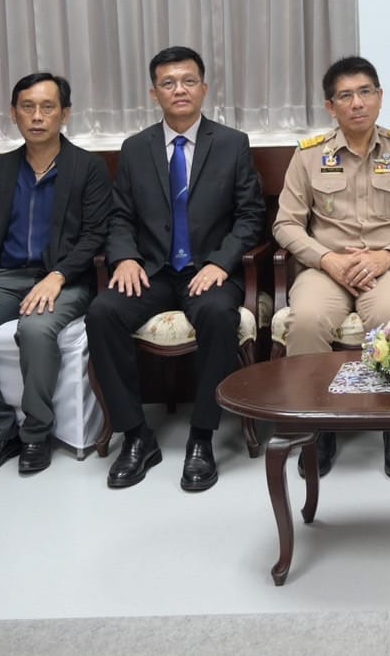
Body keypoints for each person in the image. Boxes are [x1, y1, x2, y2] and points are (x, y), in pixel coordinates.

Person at [85, 47, 266, 492]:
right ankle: (136, 435)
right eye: (168, 83)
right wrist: (125, 257)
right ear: (154, 93)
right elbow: (120, 216)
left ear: (204, 88)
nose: (179, 90)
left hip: (209, 270)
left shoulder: (232, 143)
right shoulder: (136, 148)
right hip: (153, 270)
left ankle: (201, 437)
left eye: (188, 81)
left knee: (217, 314)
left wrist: (222, 262)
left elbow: (250, 216)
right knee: (103, 313)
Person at [274, 57, 390, 480]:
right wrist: (327, 259)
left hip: (388, 267)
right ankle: (318, 426)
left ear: (380, 97)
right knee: (307, 320)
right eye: (346, 96)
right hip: (325, 268)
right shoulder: (308, 156)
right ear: (330, 106)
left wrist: (387, 256)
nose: (357, 103)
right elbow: (285, 224)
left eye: (366, 92)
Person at [0, 73, 113, 477]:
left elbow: (96, 234)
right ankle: (0, 432)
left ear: (65, 114)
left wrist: (58, 275)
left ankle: (36, 433)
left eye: (47, 107)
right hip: (5, 276)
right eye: (28, 107)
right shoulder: (1, 169)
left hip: (65, 279)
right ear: (13, 113)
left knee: (35, 330)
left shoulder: (88, 167)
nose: (37, 116)